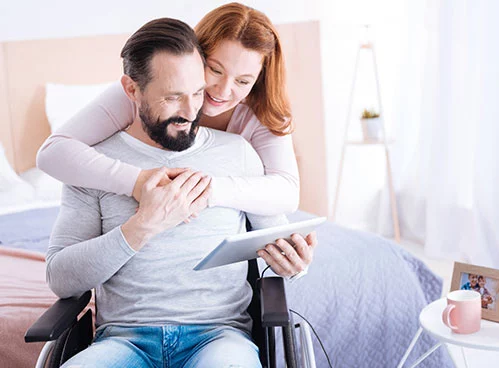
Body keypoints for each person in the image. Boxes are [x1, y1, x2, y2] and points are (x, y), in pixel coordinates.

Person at [48, 18, 316, 367]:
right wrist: (142, 225)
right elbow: (61, 280)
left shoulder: (241, 151)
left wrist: (293, 264)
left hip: (219, 337)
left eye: (196, 92)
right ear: (132, 90)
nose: (194, 111)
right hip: (125, 341)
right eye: (174, 97)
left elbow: (276, 231)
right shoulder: (89, 163)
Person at [37, 2, 299, 217]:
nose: (221, 90)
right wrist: (137, 182)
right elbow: (53, 152)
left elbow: (287, 192)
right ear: (195, 55)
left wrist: (200, 190)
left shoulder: (264, 112)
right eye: (215, 70)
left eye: (243, 81)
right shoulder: (142, 94)